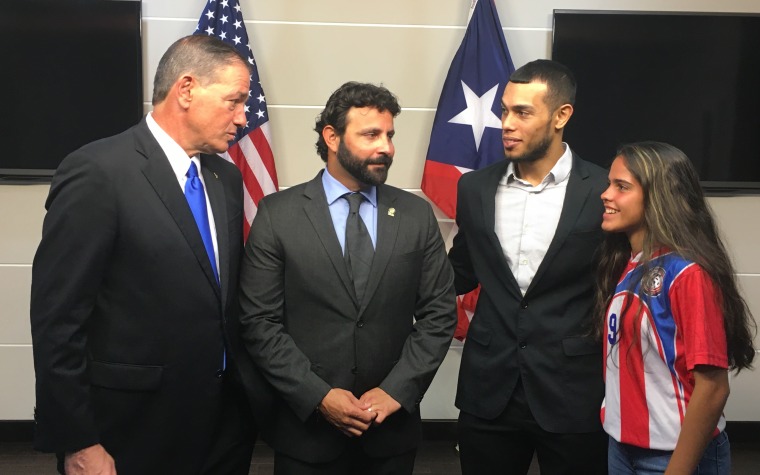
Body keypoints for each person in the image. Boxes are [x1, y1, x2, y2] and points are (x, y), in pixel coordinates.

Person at [30, 35, 257, 475]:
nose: (243, 118)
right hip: (131, 429)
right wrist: (79, 440)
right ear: (186, 90)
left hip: (222, 427)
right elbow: (59, 320)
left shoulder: (225, 180)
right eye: (234, 101)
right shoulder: (98, 172)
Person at [237, 81, 457, 474]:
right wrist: (318, 396)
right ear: (332, 137)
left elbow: (439, 315)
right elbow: (259, 322)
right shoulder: (278, 215)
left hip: (390, 434)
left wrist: (396, 391)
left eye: (389, 135)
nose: (386, 147)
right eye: (371, 134)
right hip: (306, 433)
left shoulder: (415, 215)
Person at [448, 59, 609, 474]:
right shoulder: (474, 188)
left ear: (561, 116)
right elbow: (460, 269)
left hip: (573, 391)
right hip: (489, 390)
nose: (506, 123)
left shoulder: (604, 190)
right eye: (504, 110)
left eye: (522, 112)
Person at [596, 141, 756, 474]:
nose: (605, 194)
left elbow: (712, 388)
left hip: (671, 457)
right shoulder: (631, 263)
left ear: (658, 196)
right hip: (622, 448)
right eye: (609, 184)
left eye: (621, 186)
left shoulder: (687, 273)